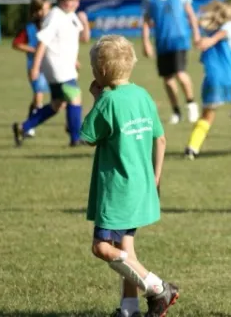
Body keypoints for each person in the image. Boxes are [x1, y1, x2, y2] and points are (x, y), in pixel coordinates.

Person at [80, 35, 179, 317]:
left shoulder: (107, 101)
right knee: (126, 248)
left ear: (100, 71)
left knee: (102, 247)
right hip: (142, 184)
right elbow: (160, 141)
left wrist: (97, 97)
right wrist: (156, 179)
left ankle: (159, 288)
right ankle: (129, 309)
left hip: (118, 190)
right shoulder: (142, 94)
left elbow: (87, 137)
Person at [12, 0, 90, 147]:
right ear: (61, 0)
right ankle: (76, 138)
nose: (74, 3)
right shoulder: (55, 15)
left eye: (77, 0)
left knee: (58, 104)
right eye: (70, 0)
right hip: (57, 66)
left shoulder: (72, 16)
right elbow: (43, 42)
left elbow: (84, 39)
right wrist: (35, 67)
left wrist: (85, 22)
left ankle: (23, 127)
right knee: (75, 96)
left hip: (65, 65)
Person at [142, 0, 201, 125]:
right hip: (162, 41)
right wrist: (146, 42)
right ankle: (176, 111)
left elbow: (190, 13)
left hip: (179, 39)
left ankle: (191, 104)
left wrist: (196, 33)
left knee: (181, 74)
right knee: (167, 79)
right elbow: (146, 21)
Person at [184, 0, 231, 159]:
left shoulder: (212, 31)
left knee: (207, 115)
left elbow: (204, 34)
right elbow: (223, 33)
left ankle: (192, 148)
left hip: (213, 79)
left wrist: (199, 31)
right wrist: (210, 40)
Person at [11, 0, 52, 138]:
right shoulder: (29, 28)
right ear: (36, 11)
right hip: (34, 67)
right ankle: (29, 127)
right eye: (42, 10)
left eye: (48, 9)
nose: (46, 13)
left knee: (48, 98)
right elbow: (16, 44)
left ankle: (28, 124)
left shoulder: (52, 24)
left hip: (51, 66)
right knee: (39, 96)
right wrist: (33, 50)